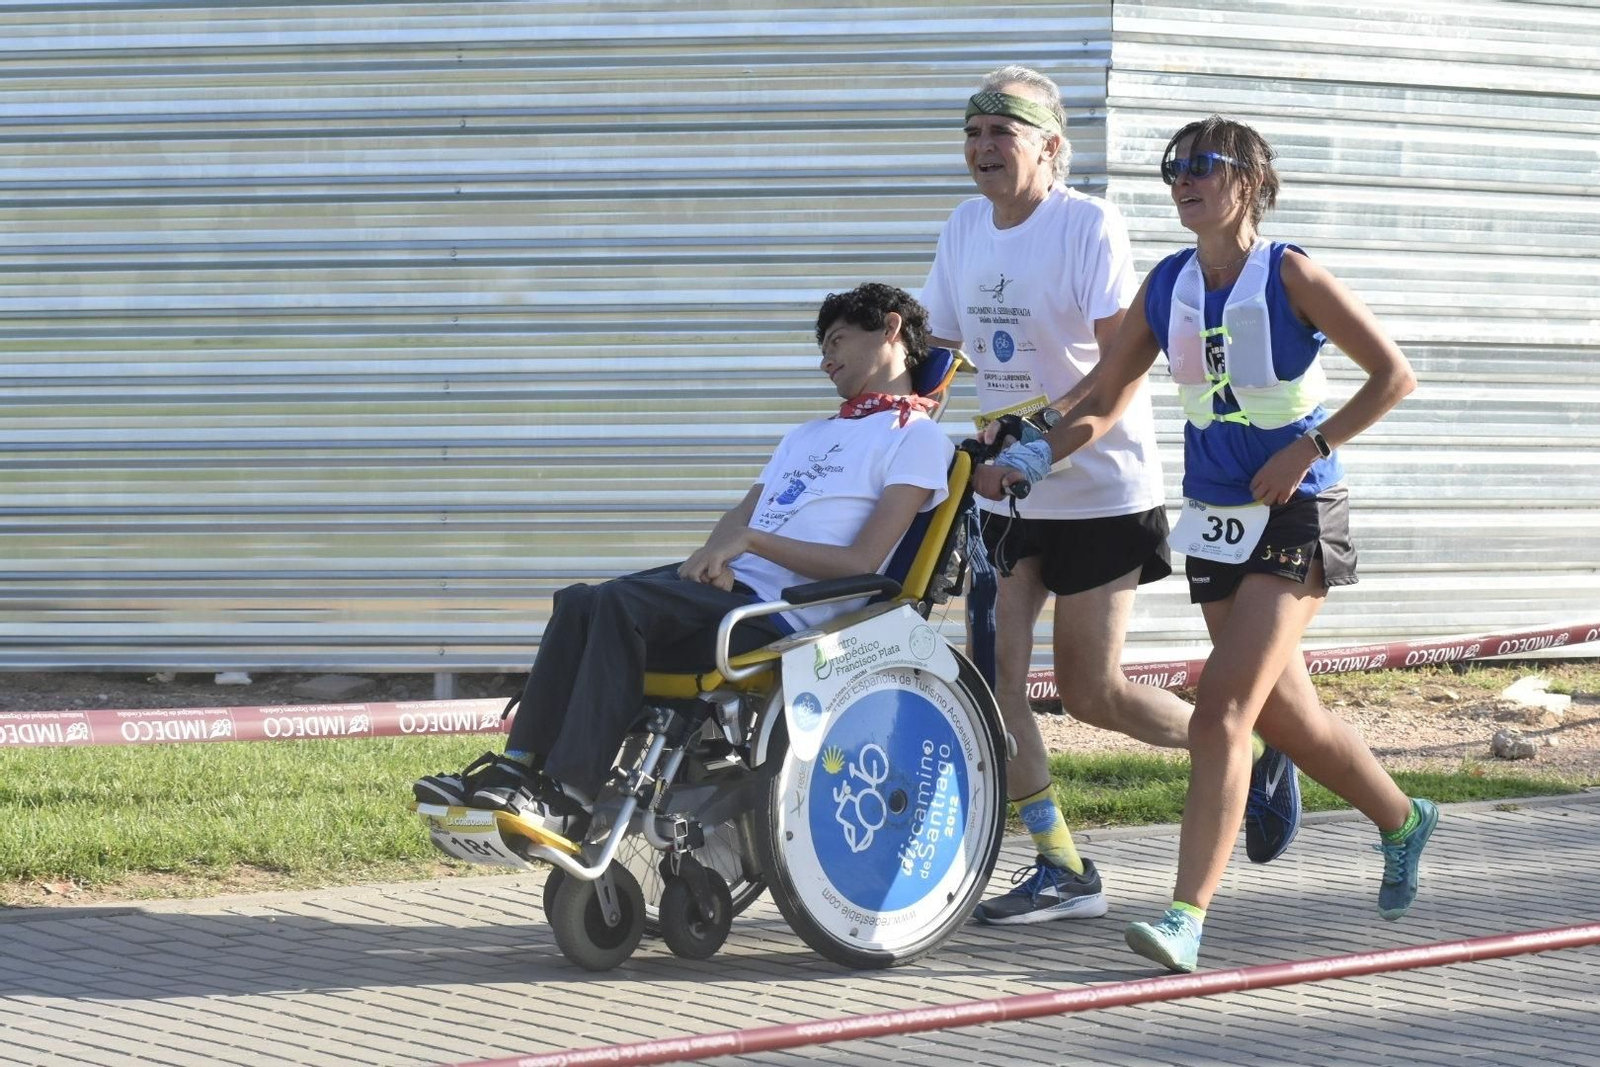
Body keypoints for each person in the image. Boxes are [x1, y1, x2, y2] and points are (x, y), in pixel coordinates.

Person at [976, 115, 1435, 972]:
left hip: (1300, 512)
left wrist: (1313, 445)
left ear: (1250, 181)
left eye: (1202, 165)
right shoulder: (1170, 282)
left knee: (1222, 707)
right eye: (1173, 168)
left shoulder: (1290, 272)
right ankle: (1405, 819)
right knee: (1288, 720)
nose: (1183, 180)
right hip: (1219, 518)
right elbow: (1105, 390)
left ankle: (1186, 915)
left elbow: (1394, 375)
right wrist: (1036, 451)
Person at [921, 67, 1302, 926]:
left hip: (1098, 488)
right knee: (994, 681)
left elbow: (1119, 374)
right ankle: (1061, 864)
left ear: (1051, 147)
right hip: (1007, 494)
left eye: (1003, 134)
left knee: (1093, 691)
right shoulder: (960, 227)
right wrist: (900, 415)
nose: (984, 149)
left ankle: (1251, 739)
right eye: (973, 134)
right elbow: (941, 350)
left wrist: (1044, 445)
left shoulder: (1088, 224)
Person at [414, 282, 956, 828]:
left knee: (618, 606)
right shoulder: (807, 435)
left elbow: (863, 563)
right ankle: (516, 769)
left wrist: (749, 544)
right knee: (579, 602)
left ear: (890, 329)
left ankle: (566, 796)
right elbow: (740, 516)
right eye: (823, 348)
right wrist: (715, 553)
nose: (824, 362)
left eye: (836, 341)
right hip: (729, 595)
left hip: (787, 616)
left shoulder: (917, 438)